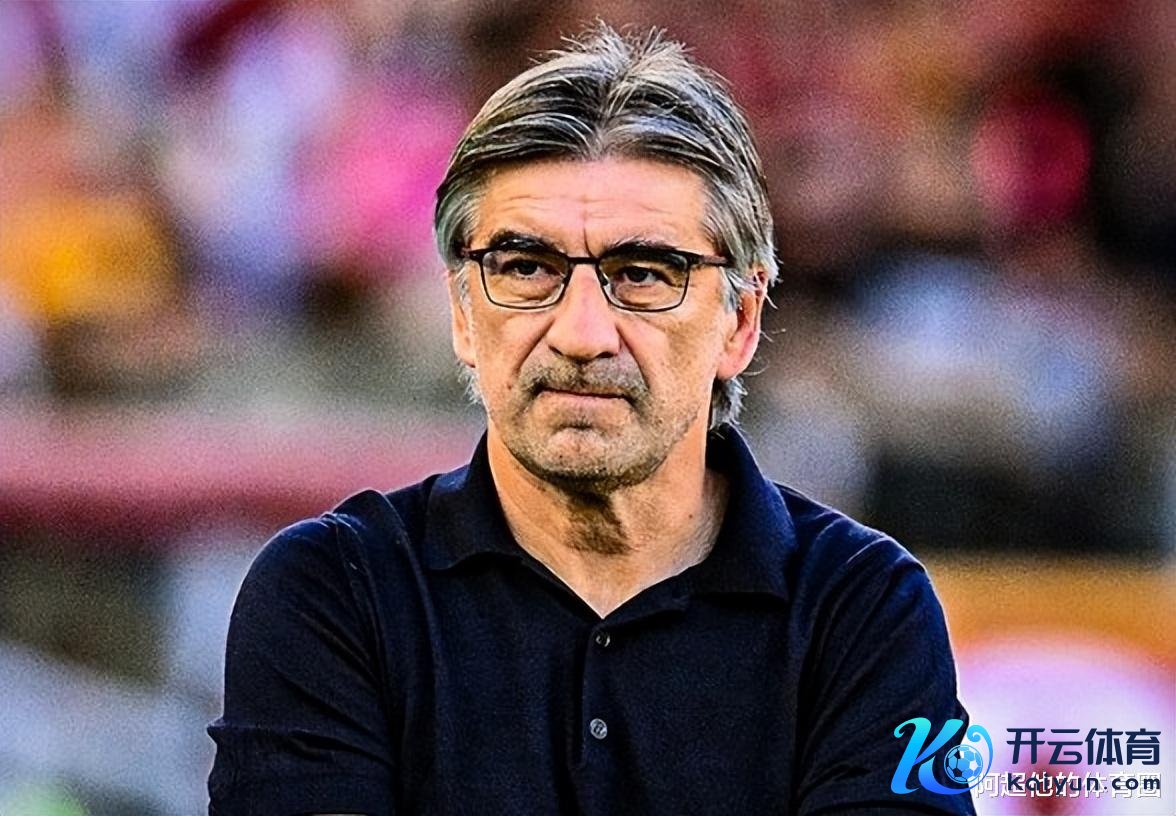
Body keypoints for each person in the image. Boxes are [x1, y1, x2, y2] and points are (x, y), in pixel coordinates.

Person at [209, 24, 976, 816]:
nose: (581, 333)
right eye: (526, 268)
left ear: (740, 321)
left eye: (642, 274)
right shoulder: (336, 592)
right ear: (463, 314)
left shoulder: (863, 608)